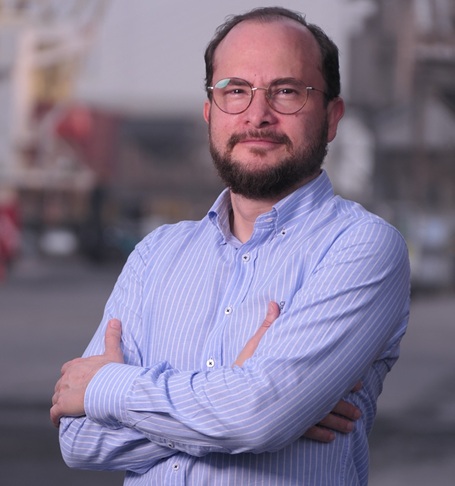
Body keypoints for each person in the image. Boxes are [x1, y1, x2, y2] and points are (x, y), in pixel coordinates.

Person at [51, 7, 410, 485]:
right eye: (235, 90)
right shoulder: (156, 253)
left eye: (286, 91)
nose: (257, 115)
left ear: (331, 117)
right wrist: (237, 403)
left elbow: (258, 417)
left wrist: (106, 389)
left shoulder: (363, 247)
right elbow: (78, 438)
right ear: (210, 112)